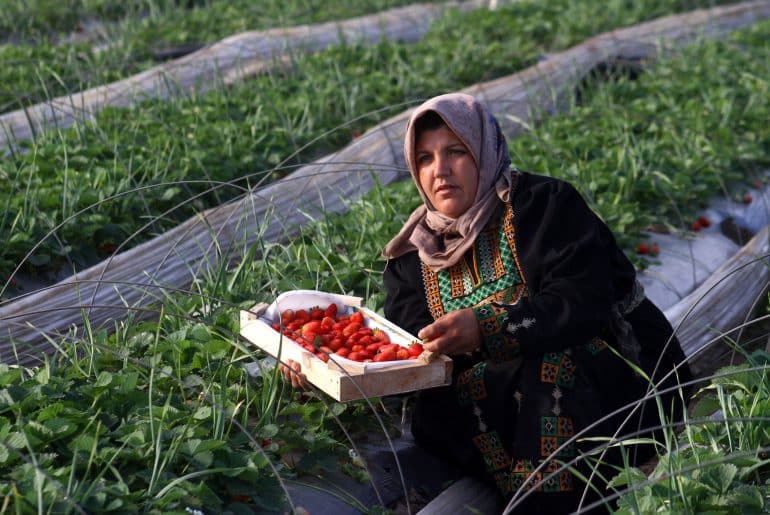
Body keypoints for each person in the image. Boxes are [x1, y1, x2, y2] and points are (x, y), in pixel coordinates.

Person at [283, 92, 693, 513]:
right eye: (424, 158)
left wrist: (488, 326)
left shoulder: (543, 206)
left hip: (611, 388)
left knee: (549, 366)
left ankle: (553, 503)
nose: (439, 170)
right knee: (459, 394)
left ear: (484, 148)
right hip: (496, 414)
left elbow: (582, 302)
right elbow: (408, 357)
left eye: (455, 151)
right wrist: (324, 366)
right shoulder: (411, 258)